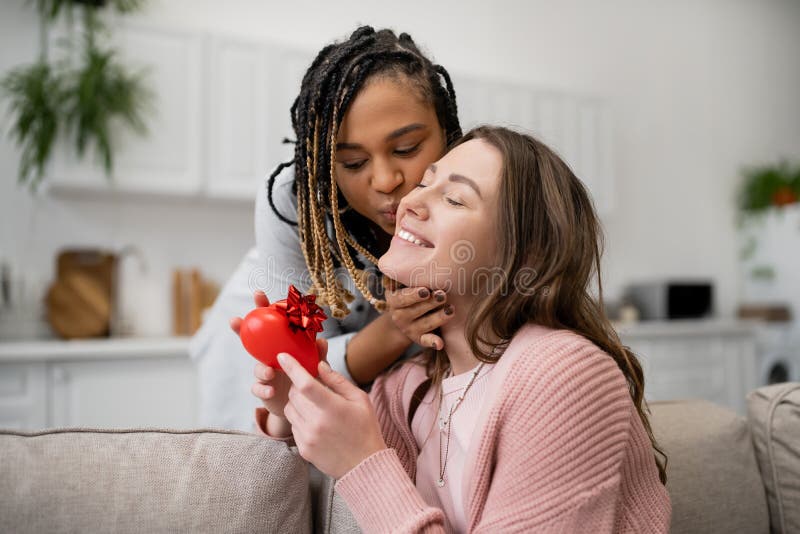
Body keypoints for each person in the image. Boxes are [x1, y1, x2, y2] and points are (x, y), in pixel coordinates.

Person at [254, 126, 672, 532]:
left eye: (454, 198)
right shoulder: (407, 388)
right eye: (424, 182)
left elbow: (366, 477)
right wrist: (290, 411)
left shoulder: (566, 374)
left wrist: (364, 462)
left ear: (525, 254)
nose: (409, 203)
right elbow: (332, 497)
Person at [190, 26, 462, 430]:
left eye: (406, 149)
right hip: (257, 329)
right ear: (325, 164)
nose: (386, 180)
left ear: (449, 134)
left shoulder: (472, 188)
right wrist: (395, 329)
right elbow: (306, 363)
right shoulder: (294, 202)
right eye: (353, 163)